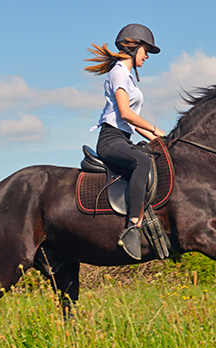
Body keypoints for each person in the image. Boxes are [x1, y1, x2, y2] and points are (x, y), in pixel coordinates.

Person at [85, 24, 165, 259]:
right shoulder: (119, 72)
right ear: (134, 46)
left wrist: (161, 141)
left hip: (125, 138)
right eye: (145, 50)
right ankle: (133, 226)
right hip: (111, 140)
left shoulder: (128, 77)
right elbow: (126, 114)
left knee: (154, 157)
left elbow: (133, 125)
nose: (147, 55)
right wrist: (155, 129)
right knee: (142, 162)